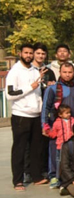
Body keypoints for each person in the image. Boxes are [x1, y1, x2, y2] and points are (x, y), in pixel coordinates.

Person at [7, 43, 49, 190]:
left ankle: (36, 176)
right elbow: (9, 94)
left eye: (31, 53)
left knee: (36, 148)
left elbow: (38, 91)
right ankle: (18, 180)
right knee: (19, 149)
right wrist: (29, 87)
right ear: (20, 54)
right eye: (26, 53)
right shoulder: (15, 71)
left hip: (36, 114)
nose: (29, 56)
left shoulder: (34, 70)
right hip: (21, 115)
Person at [46, 105, 74, 188]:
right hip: (60, 146)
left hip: (71, 146)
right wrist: (48, 132)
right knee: (59, 162)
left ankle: (71, 177)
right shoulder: (57, 123)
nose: (69, 114)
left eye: (69, 112)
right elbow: (53, 134)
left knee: (71, 162)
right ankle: (57, 178)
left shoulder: (73, 121)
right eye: (66, 113)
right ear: (60, 114)